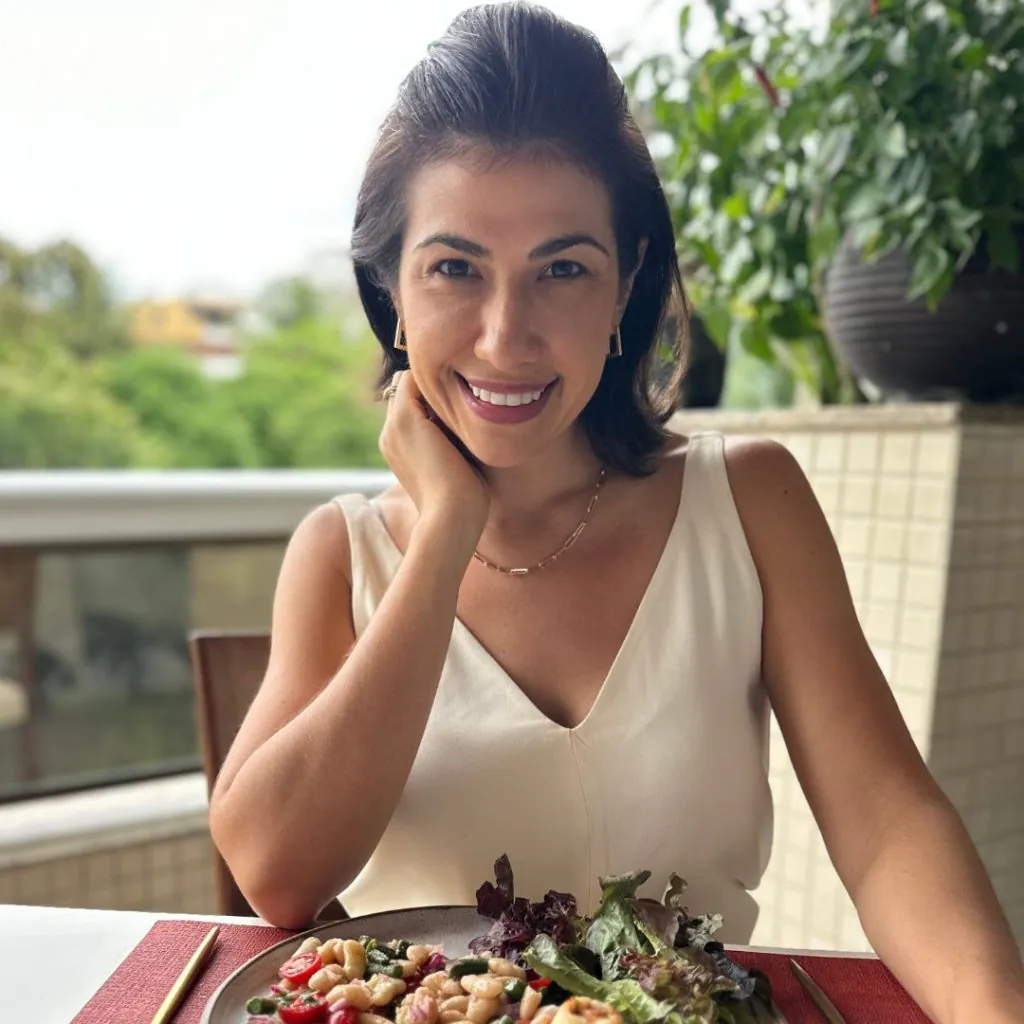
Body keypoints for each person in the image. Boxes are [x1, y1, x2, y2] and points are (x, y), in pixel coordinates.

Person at [209, 5, 1024, 1021]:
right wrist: (446, 531)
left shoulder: (748, 500)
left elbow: (887, 824)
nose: (505, 337)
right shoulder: (341, 550)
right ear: (392, 292)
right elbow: (276, 875)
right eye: (455, 268)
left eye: (563, 269)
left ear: (625, 284)